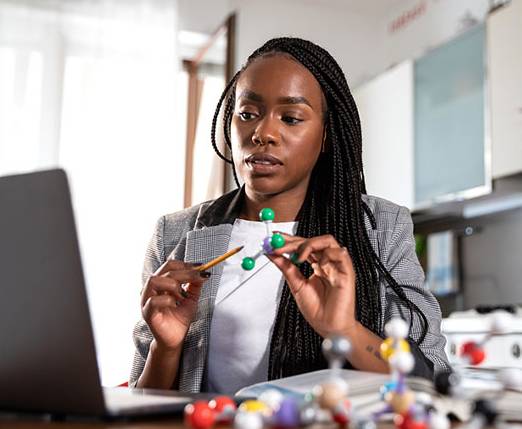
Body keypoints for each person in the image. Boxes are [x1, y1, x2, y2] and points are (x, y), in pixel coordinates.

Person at [130, 37, 450, 394]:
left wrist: (345, 330)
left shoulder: (381, 227)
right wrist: (166, 347)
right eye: (247, 114)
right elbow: (141, 404)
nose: (262, 133)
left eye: (291, 118)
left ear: (326, 135)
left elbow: (428, 381)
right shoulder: (175, 233)